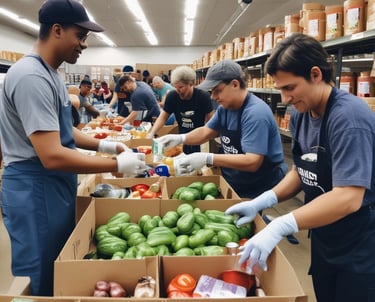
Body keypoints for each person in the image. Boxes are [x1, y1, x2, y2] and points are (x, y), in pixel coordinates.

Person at [0, 0, 146, 296]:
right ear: (56, 30)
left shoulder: (53, 73)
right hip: (35, 186)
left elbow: (65, 133)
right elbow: (52, 155)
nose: (84, 44)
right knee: (43, 276)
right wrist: (117, 166)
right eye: (80, 36)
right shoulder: (31, 77)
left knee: (61, 265)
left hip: (53, 185)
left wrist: (106, 144)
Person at [225, 33, 375, 302]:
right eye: (281, 89)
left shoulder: (349, 118)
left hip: (361, 243)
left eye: (290, 87)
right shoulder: (301, 114)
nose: (284, 98)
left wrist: (283, 224)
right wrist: (265, 199)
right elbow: (301, 169)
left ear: (316, 74)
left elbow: (349, 197)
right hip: (325, 234)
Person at [156, 60, 287, 198]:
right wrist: (180, 138)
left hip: (259, 185)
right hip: (235, 179)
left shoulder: (255, 113)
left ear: (235, 84)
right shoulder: (225, 108)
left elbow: (252, 162)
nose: (213, 97)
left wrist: (208, 158)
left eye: (217, 90)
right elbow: (206, 131)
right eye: (211, 92)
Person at [148, 66, 214, 154]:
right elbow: (163, 117)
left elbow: (211, 120)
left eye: (181, 87)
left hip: (200, 139)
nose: (178, 91)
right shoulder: (172, 96)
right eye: (175, 87)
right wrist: (152, 132)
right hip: (182, 138)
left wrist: (208, 140)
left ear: (191, 84)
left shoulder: (203, 96)